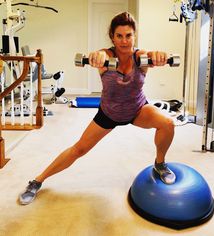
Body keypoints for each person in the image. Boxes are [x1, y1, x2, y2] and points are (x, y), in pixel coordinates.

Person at [19, 12, 176, 205]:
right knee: (78, 149)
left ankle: (159, 164)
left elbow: (150, 55)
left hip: (137, 110)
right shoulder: (106, 56)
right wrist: (95, 57)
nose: (124, 41)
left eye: (129, 35)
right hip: (109, 113)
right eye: (119, 36)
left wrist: (160, 56)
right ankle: (37, 181)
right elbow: (101, 54)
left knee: (168, 123)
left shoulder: (141, 57)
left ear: (135, 36)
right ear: (112, 37)